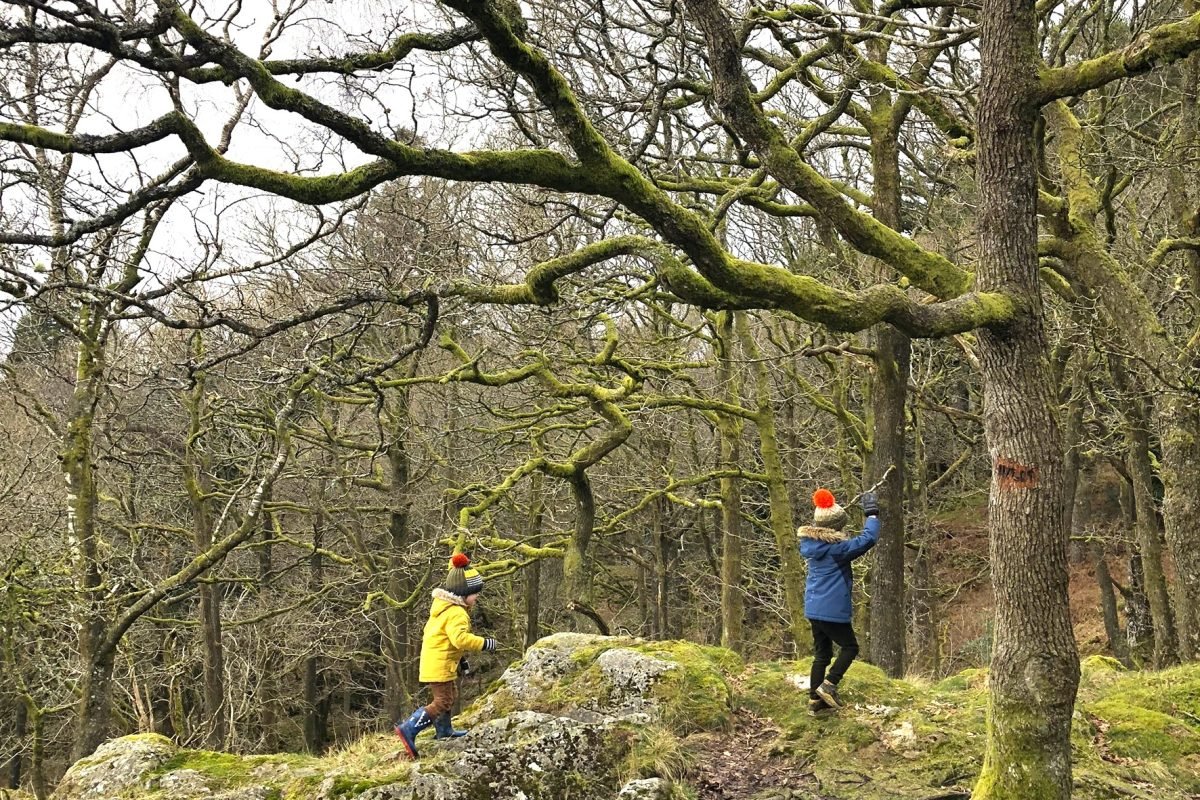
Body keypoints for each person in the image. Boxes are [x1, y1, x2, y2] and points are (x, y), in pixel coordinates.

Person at [394, 552, 497, 758]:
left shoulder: (444, 608)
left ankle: (444, 731)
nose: (477, 597)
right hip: (439, 665)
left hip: (438, 661)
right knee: (442, 701)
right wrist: (485, 643)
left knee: (448, 697)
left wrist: (462, 661)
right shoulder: (457, 613)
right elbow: (460, 639)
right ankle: (409, 728)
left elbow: (446, 642)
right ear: (463, 592)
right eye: (475, 593)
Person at [798, 487, 880, 714]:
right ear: (838, 526)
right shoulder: (837, 550)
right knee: (850, 647)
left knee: (822, 654)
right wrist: (872, 514)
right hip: (831, 609)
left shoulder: (811, 546)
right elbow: (868, 539)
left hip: (813, 607)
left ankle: (815, 701)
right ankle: (829, 685)